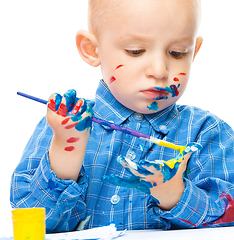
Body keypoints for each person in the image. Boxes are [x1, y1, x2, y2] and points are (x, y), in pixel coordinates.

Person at [10, 0, 234, 233]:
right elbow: (33, 225)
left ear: (194, 52)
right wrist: (65, 152)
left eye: (177, 53)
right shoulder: (63, 126)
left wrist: (175, 195)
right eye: (135, 51)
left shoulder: (207, 132)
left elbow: (229, 219)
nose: (159, 70)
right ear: (92, 49)